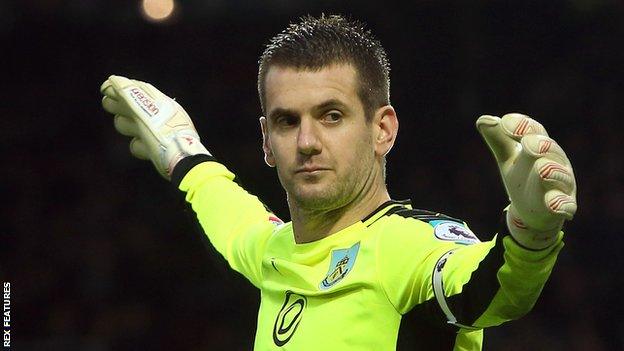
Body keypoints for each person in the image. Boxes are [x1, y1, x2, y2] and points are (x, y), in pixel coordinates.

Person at [100, 14, 577, 350]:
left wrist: (529, 235)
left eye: (332, 116)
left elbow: (490, 289)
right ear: (267, 140)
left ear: (382, 129)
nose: (307, 141)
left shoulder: (406, 246)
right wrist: (184, 153)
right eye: (287, 122)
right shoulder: (272, 250)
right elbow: (227, 208)